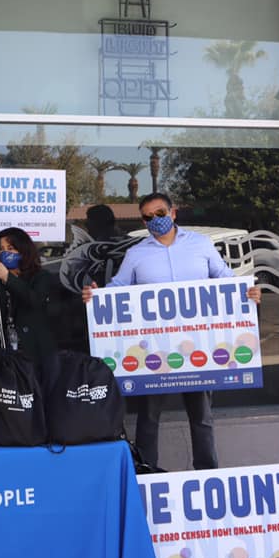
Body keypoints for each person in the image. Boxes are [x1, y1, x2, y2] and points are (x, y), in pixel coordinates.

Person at [81, 193, 261, 470]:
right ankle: (147, 471)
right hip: (154, 351)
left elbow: (224, 278)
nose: (155, 220)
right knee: (149, 418)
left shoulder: (201, 245)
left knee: (201, 417)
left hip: (198, 349)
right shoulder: (137, 253)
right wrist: (97, 296)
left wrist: (247, 292)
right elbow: (118, 287)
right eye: (148, 217)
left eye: (160, 213)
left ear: (173, 213)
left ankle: (207, 472)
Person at [0, 227, 56, 364]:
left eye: (10, 248)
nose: (5, 253)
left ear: (23, 251)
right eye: (1, 249)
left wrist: (8, 278)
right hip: (5, 354)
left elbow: (35, 301)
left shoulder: (40, 277)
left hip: (34, 354)